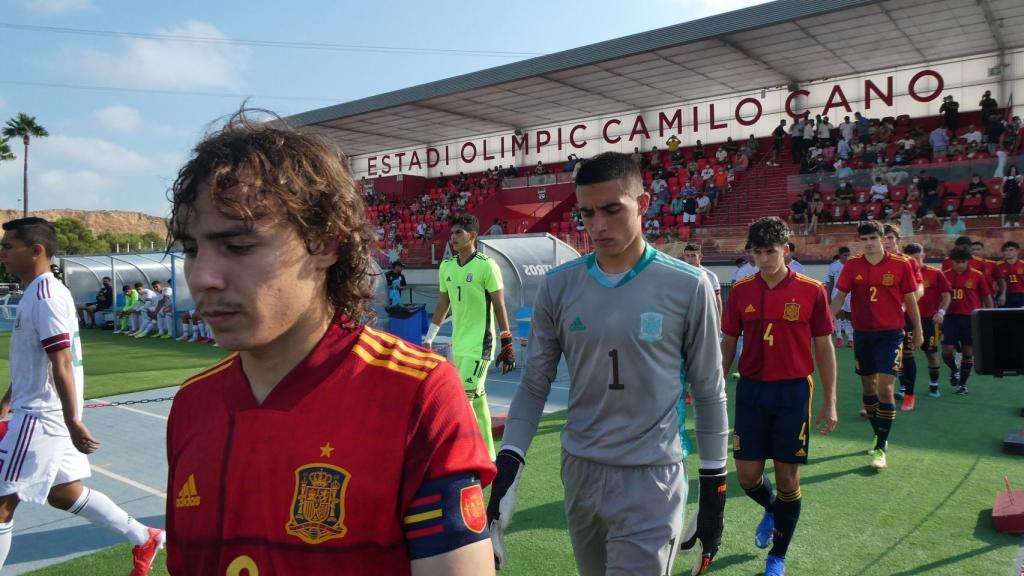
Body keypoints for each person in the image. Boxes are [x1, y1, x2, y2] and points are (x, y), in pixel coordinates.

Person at [164, 111, 496, 574]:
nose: (201, 277)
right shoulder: (190, 406)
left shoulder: (417, 393)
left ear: (324, 243)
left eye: (238, 246)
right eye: (190, 249)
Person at [487, 152, 728, 575]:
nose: (597, 226)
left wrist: (714, 488)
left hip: (651, 476)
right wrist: (509, 463)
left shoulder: (688, 286)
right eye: (587, 213)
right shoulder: (560, 286)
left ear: (644, 203)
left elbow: (709, 391)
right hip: (579, 473)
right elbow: (534, 384)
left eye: (612, 209)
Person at [0, 217, 165, 574]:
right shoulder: (37, 292)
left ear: (36, 250)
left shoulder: (44, 296)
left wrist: (73, 420)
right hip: (37, 412)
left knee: (1, 502)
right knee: (63, 493)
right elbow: (36, 359)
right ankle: (143, 535)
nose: (3, 254)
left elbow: (60, 361)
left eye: (8, 246)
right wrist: (6, 402)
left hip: (40, 417)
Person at [722, 217, 837, 576]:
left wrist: (830, 400)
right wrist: (715, 385)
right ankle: (772, 509)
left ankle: (778, 555)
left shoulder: (811, 290)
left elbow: (824, 346)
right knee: (747, 477)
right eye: (756, 252)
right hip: (752, 390)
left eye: (769, 252)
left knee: (788, 478)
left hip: (792, 391)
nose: (763, 259)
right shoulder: (740, 290)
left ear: (786, 250)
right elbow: (728, 343)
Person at [831, 221, 922, 470]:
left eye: (873, 237)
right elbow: (839, 296)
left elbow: (911, 301)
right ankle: (877, 432)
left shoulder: (901, 264)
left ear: (883, 238)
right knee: (868, 387)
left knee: (885, 387)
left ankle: (881, 447)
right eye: (865, 238)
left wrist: (919, 331)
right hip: (863, 335)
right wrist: (828, 320)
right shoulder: (853, 265)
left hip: (891, 334)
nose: (869, 242)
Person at [426, 214, 515, 460]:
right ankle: (489, 454)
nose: (453, 237)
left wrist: (506, 340)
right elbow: (443, 304)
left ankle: (465, 456)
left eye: (458, 233)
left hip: (481, 345)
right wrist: (429, 337)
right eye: (452, 233)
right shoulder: (447, 267)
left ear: (472, 236)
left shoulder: (487, 265)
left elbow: (499, 306)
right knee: (477, 399)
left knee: (462, 398)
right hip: (460, 344)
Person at [882, 225, 925, 410]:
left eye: (890, 237)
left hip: (903, 317)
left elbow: (920, 288)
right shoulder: (872, 262)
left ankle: (909, 395)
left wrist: (905, 304)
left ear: (897, 240)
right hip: (880, 319)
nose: (886, 241)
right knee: (880, 357)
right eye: (883, 237)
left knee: (906, 356)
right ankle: (876, 397)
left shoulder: (908, 261)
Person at [941, 246, 993, 395]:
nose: (960, 264)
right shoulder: (943, 275)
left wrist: (989, 315)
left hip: (970, 319)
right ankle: (954, 369)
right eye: (957, 261)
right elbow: (939, 296)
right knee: (947, 351)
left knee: (967, 352)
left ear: (968, 261)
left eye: (963, 261)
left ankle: (963, 385)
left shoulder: (977, 275)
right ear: (951, 262)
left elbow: (986, 296)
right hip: (950, 318)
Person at [902, 243, 951, 398]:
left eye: (917, 258)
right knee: (904, 354)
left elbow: (946, 295)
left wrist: (941, 312)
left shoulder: (935, 273)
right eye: (911, 259)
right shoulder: (900, 274)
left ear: (923, 256)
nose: (914, 262)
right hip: (906, 320)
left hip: (928, 320)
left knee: (931, 353)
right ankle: (904, 387)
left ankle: (934, 384)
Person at [681, 243, 722, 316]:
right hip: (684, 316)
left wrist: (718, 323)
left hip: (703, 316)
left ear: (700, 256)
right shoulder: (679, 274)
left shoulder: (710, 276)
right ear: (684, 257)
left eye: (693, 256)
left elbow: (717, 301)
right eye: (687, 256)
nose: (690, 259)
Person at [825, 247, 854, 348]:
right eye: (845, 255)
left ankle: (850, 338)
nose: (847, 257)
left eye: (848, 255)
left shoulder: (852, 265)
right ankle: (839, 337)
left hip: (849, 294)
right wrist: (828, 296)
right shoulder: (833, 266)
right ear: (840, 255)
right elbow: (830, 282)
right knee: (838, 315)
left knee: (849, 316)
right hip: (836, 294)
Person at [997, 241, 1024, 308]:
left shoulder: (1023, 264)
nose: (1008, 252)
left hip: (1021, 294)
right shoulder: (997, 265)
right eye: (1006, 250)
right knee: (1005, 316)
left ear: (1017, 251)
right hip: (1005, 295)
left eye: (1011, 250)